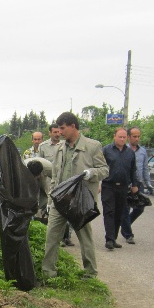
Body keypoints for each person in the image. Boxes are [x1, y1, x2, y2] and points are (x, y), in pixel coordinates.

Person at [42, 112, 109, 279]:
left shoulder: (92, 146)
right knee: (51, 236)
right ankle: (48, 273)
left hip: (80, 201)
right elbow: (55, 176)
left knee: (85, 238)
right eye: (58, 129)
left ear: (73, 126)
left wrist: (91, 173)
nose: (60, 132)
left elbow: (105, 170)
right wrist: (51, 199)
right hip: (60, 199)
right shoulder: (60, 149)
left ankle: (90, 273)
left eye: (63, 128)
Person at [101, 128, 140, 250]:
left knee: (119, 213)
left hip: (123, 187)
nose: (122, 139)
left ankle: (114, 238)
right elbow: (100, 167)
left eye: (124, 137)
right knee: (109, 212)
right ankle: (109, 239)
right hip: (108, 185)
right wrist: (98, 182)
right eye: (120, 137)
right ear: (114, 137)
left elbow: (133, 170)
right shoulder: (106, 150)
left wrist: (134, 184)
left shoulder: (130, 152)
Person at [39, 123, 74, 246]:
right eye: (55, 132)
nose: (57, 134)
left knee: (67, 208)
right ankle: (54, 237)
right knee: (53, 210)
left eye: (59, 132)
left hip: (65, 183)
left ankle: (66, 236)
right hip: (49, 182)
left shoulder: (66, 145)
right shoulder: (43, 147)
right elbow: (40, 165)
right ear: (50, 133)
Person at [120, 126, 154, 244]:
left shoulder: (142, 151)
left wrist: (148, 183)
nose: (137, 139)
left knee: (140, 207)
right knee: (125, 209)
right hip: (125, 184)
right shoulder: (123, 149)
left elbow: (145, 168)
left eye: (138, 136)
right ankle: (128, 234)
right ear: (129, 137)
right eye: (134, 136)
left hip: (138, 183)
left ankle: (126, 223)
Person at [24, 157, 53, 222]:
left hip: (47, 174)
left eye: (36, 177)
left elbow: (52, 188)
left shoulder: (49, 169)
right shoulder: (22, 169)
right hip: (29, 171)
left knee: (49, 195)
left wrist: (49, 204)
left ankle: (43, 215)